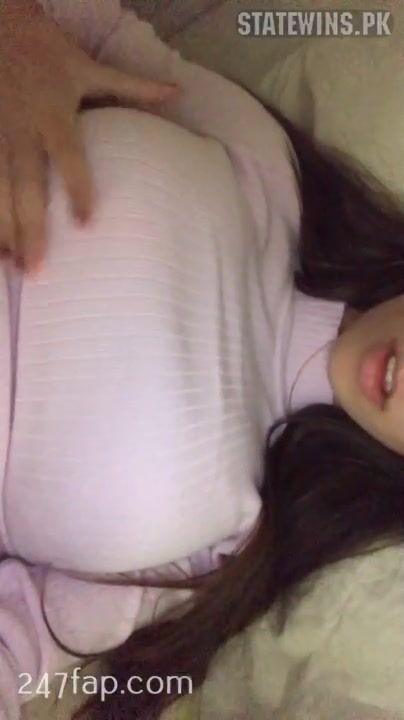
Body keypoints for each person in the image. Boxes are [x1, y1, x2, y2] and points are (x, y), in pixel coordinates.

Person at [0, 2, 404, 720]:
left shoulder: (229, 549)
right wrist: (15, 36)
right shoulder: (265, 166)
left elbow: (19, 648)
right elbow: (87, 29)